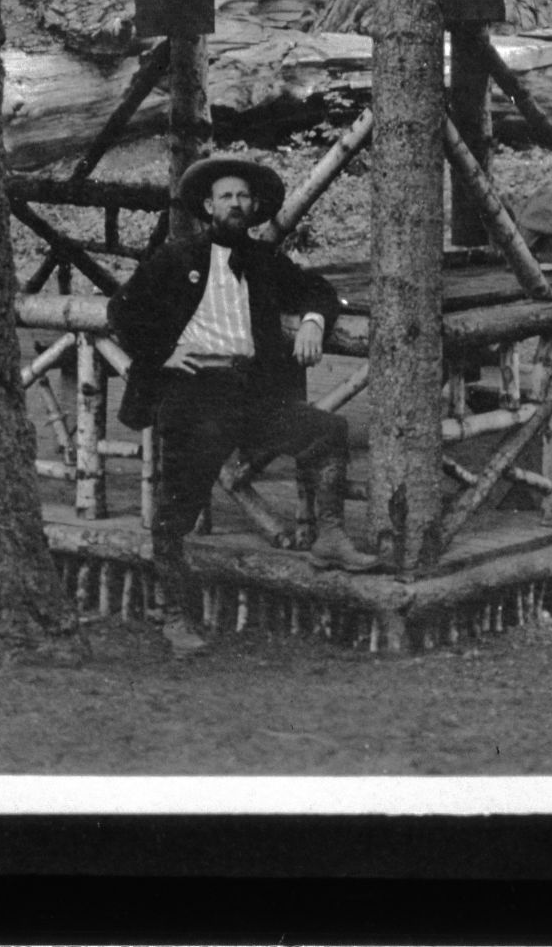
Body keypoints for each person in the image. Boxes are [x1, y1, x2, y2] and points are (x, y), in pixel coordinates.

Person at [112, 154, 375, 655]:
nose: (235, 204)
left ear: (254, 207)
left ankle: (330, 538)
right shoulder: (176, 258)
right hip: (193, 393)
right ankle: (174, 614)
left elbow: (318, 289)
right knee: (177, 509)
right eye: (225, 196)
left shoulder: (263, 259)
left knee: (327, 431)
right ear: (208, 206)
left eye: (243, 196)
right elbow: (121, 311)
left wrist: (314, 321)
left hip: (251, 392)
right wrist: (163, 352)